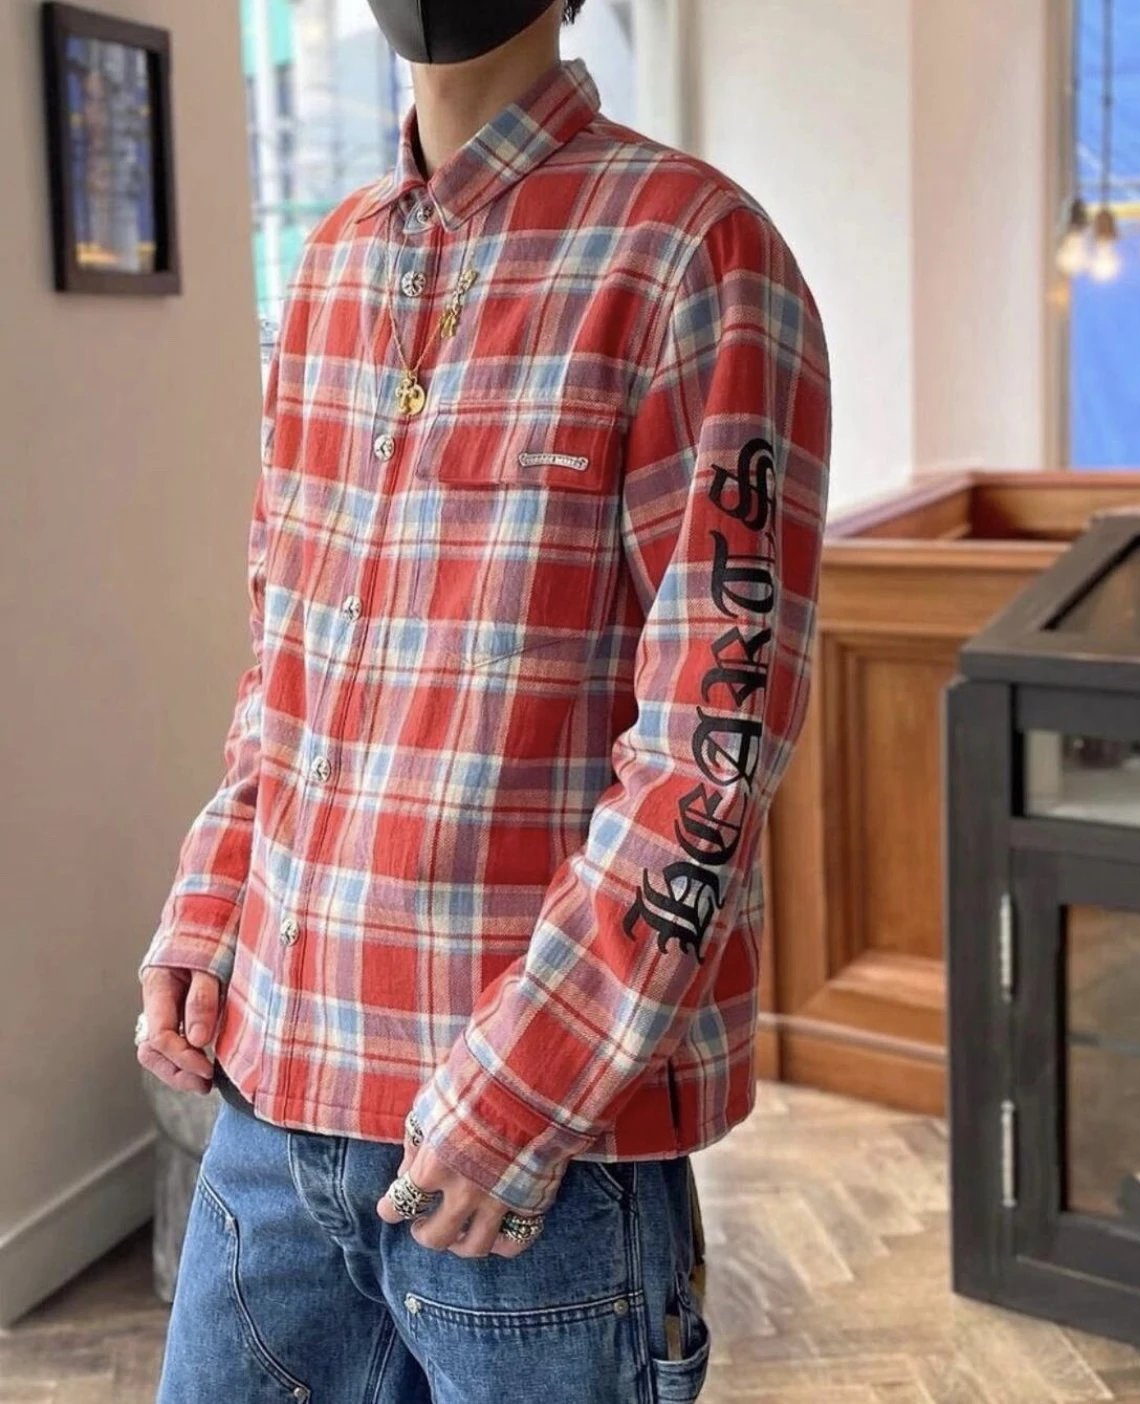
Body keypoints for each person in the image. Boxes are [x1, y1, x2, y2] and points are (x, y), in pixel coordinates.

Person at [135, 1, 831, 1399]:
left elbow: (714, 742)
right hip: (276, 1101)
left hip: (536, 1168)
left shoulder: (691, 251)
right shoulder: (330, 263)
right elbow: (288, 654)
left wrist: (526, 1083)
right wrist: (213, 898)